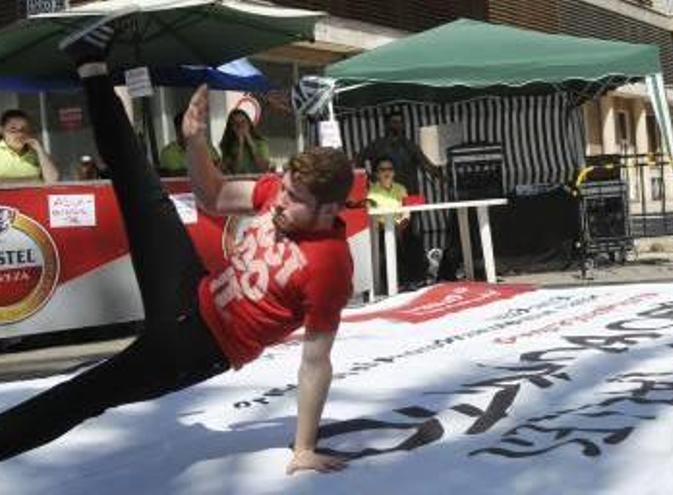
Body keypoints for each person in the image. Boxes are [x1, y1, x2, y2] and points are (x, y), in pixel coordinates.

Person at [0, 12, 354, 475]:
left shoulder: (329, 265)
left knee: (85, 394)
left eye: (296, 199)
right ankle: (89, 63)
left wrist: (303, 447)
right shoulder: (277, 192)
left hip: (198, 349)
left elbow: (316, 363)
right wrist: (194, 142)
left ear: (330, 210)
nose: (280, 201)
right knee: (144, 192)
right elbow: (214, 195)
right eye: (283, 188)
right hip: (191, 290)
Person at [367, 157, 427, 290]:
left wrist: (401, 223)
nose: (386, 172)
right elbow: (374, 217)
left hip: (401, 226)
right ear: (377, 173)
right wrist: (391, 227)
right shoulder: (372, 192)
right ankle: (395, 283)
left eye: (390, 169)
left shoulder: (400, 188)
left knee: (414, 240)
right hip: (382, 229)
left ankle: (416, 280)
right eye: (383, 170)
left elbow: (406, 210)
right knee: (388, 242)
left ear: (394, 172)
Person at [357, 111, 442, 195]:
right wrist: (369, 177)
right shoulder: (377, 145)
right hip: (384, 193)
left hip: (408, 191)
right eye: (395, 122)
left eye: (401, 122)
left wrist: (439, 175)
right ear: (387, 125)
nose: (398, 125)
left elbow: (425, 164)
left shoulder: (409, 145)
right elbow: (358, 161)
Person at [0, 109, 59, 183]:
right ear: (2, 130)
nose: (20, 134)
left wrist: (39, 149)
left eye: (24, 129)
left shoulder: (36, 153)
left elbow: (53, 180)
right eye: (13, 129)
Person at [159, 111, 220, 177]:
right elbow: (166, 174)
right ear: (177, 131)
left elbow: (218, 169)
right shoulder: (167, 153)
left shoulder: (207, 148)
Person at [219, 108, 271, 175]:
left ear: (249, 123)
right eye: (236, 124)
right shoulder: (229, 145)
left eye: (243, 122)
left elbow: (264, 168)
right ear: (231, 127)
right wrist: (241, 144)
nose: (240, 126)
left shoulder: (261, 143)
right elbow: (235, 171)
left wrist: (251, 144)